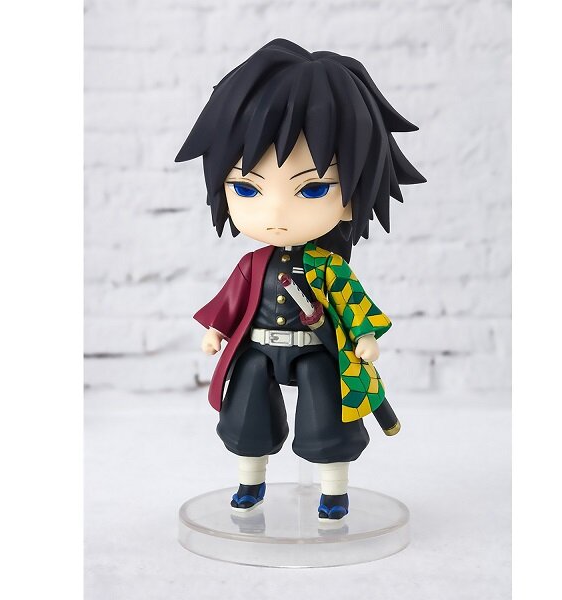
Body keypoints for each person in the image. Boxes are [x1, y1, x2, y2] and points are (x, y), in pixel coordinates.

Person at [175, 39, 425, 520]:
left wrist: (365, 336)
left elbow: (353, 302)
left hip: (316, 349)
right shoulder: (253, 264)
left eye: (312, 189)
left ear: (351, 199)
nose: (276, 214)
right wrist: (216, 330)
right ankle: (250, 482)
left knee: (327, 419)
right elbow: (231, 302)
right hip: (258, 349)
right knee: (245, 415)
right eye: (246, 187)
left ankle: (333, 490)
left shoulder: (330, 268)